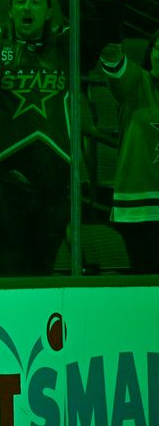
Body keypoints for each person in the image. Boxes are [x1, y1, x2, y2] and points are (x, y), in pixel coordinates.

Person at [0, 0, 125, 276]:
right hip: (2, 181)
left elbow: (111, 19)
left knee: (41, 273)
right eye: (20, 2)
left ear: (48, 12)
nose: (27, 7)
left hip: (55, 183)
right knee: (5, 270)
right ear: (11, 11)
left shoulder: (65, 45)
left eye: (35, 1)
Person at [98, 32, 159, 274]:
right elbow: (111, 54)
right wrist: (110, 9)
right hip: (139, 205)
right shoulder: (136, 80)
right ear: (151, 52)